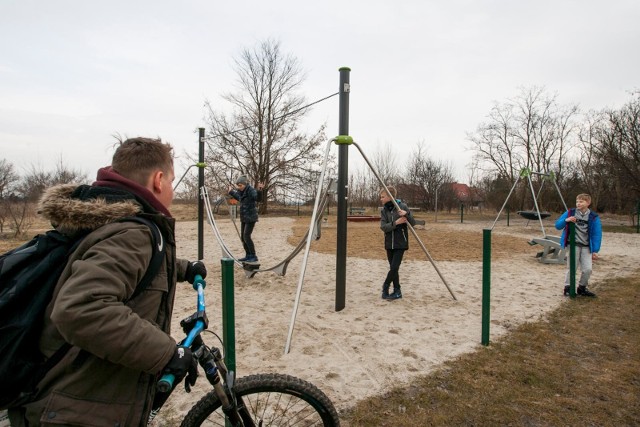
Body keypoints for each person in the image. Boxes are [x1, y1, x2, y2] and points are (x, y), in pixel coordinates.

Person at [8, 137, 207, 426]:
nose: (172, 192)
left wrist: (182, 268)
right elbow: (81, 308)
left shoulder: (107, 218)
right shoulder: (132, 233)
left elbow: (112, 263)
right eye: (172, 181)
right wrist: (166, 352)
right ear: (159, 180)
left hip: (64, 392)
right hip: (80, 407)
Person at [555, 193, 602, 297]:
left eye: (581, 201)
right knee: (572, 267)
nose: (578, 203)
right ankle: (568, 288)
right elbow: (557, 225)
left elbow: (596, 234)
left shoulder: (593, 217)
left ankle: (582, 288)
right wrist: (566, 220)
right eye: (577, 201)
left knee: (587, 269)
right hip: (573, 244)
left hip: (586, 246)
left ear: (588, 203)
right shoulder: (570, 212)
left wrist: (595, 250)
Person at [379, 186, 416, 300]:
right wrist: (396, 222)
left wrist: (406, 214)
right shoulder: (384, 210)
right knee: (393, 269)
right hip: (389, 243)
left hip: (400, 243)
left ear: (390, 197)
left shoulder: (402, 206)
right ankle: (397, 291)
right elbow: (383, 227)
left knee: (394, 268)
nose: (381, 199)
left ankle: (385, 287)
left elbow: (413, 223)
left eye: (383, 196)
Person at [228, 175, 263, 263]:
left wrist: (259, 190)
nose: (239, 187)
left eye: (240, 185)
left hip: (251, 217)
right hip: (244, 217)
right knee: (243, 238)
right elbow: (239, 197)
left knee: (247, 236)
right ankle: (248, 255)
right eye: (238, 186)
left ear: (245, 184)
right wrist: (231, 191)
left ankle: (253, 256)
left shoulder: (251, 190)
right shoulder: (241, 191)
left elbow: (258, 198)